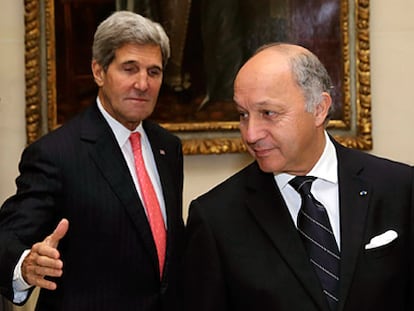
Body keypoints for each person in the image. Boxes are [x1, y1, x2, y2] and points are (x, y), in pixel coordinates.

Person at [183, 43, 414, 310]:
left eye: (268, 113)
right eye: (243, 115)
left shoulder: (400, 189)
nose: (250, 134)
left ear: (319, 109)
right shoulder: (216, 217)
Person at [0, 11, 184, 311]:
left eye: (154, 72)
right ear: (99, 72)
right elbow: (7, 236)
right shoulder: (56, 154)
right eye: (129, 68)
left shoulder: (168, 147)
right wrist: (25, 266)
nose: (143, 83)